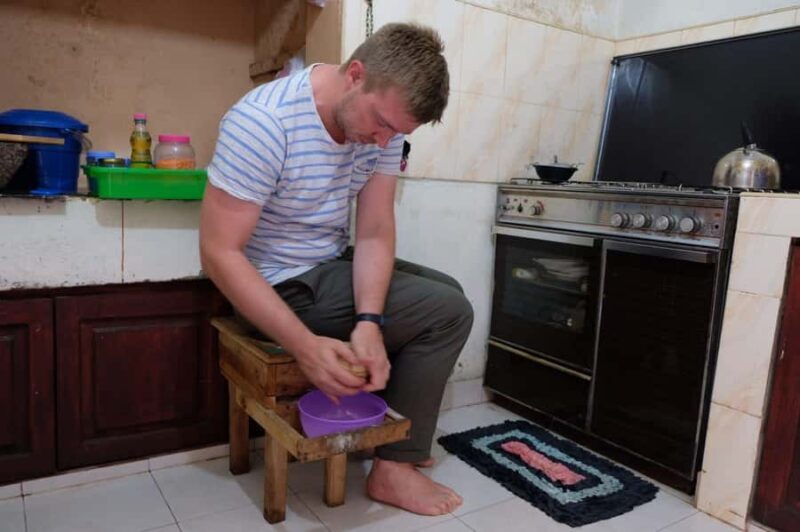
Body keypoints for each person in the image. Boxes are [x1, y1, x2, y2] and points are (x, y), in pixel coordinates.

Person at [199, 22, 473, 516]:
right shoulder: (264, 121)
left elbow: (373, 232)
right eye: (381, 123)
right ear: (356, 74)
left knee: (446, 290)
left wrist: (369, 321)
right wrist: (305, 348)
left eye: (396, 133)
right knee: (447, 311)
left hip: (326, 261)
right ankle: (393, 468)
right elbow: (219, 253)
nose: (383, 141)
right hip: (276, 282)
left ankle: (387, 437)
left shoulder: (383, 131)